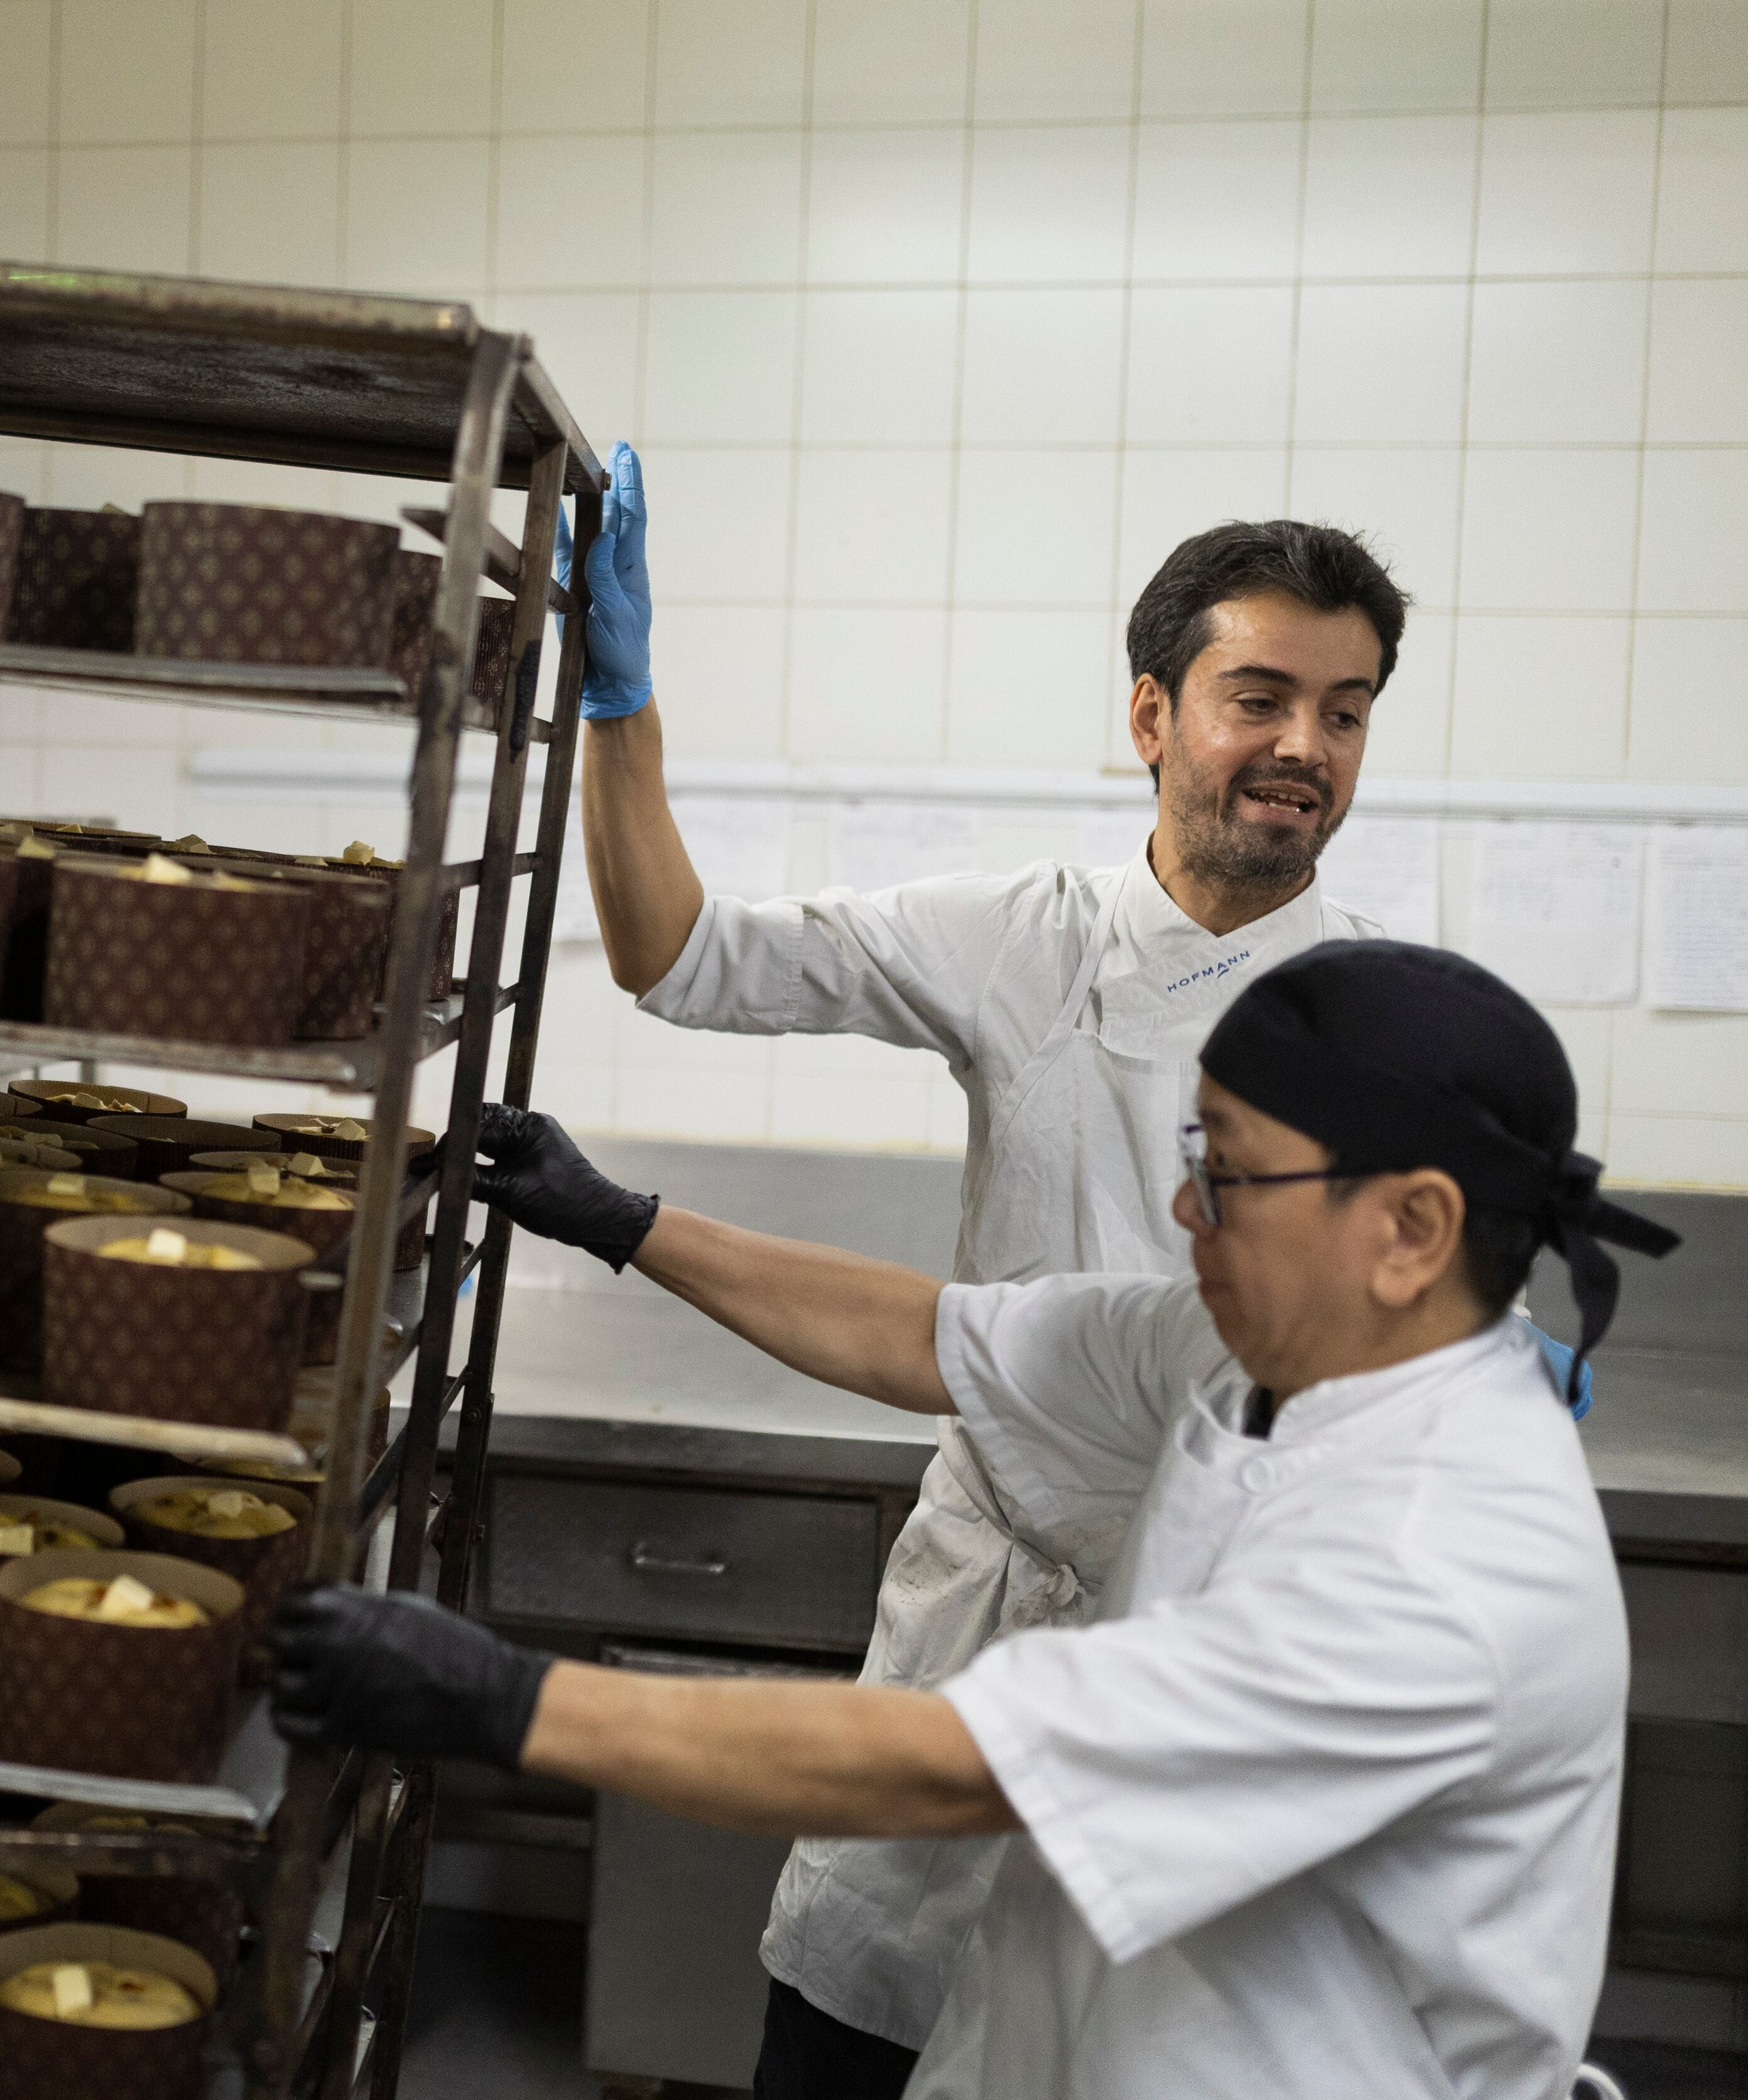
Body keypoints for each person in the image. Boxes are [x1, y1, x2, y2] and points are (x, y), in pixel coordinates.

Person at [275, 942, 1679, 2099]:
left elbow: (959, 1767)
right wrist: (617, 1217)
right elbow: (929, 1334)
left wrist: (507, 1697)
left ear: (1414, 1230)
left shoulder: (1440, 1569)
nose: (1186, 1205)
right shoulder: (1245, 1352)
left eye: (1233, 1172)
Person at [563, 447, 1482, 2087]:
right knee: (843, 2029)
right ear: (1151, 714)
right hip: (982, 1610)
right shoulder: (1026, 936)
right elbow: (677, 954)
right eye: (1258, 695)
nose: (1303, 748)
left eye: (1345, 710)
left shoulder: (1387, 1022)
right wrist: (619, 701)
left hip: (1209, 1652)